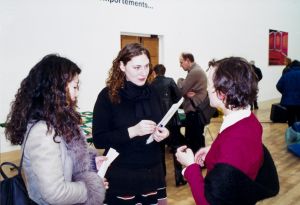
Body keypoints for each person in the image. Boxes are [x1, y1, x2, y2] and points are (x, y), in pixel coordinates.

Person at [176, 57, 279, 205]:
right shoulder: (249, 120)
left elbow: (208, 202)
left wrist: (190, 166)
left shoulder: (234, 142)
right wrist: (213, 150)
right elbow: (240, 153)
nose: (206, 89)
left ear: (222, 93)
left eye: (209, 84)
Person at [4, 54, 106, 204]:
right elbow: (55, 194)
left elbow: (65, 160)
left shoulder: (59, 123)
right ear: (56, 90)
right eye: (75, 87)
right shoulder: (43, 133)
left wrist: (91, 161)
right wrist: (92, 188)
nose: (77, 93)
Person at [92, 43, 169, 205]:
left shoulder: (153, 92)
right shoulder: (108, 96)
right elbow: (99, 139)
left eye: (147, 66)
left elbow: (162, 124)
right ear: (122, 66)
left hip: (153, 171)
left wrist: (164, 134)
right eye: (137, 67)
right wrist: (132, 131)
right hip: (122, 175)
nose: (143, 72)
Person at [152, 64, 186, 187]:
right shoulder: (170, 81)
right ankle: (179, 178)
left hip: (159, 123)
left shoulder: (151, 85)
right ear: (164, 72)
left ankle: (162, 179)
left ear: (154, 73)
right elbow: (179, 98)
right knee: (177, 148)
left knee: (160, 152)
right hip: (172, 122)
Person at [177, 52, 207, 153]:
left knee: (193, 138)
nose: (180, 65)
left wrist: (179, 80)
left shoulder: (195, 72)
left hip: (194, 111)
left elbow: (180, 90)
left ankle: (195, 162)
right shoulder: (195, 70)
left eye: (181, 62)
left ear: (188, 60)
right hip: (194, 110)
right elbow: (184, 91)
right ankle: (200, 162)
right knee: (197, 138)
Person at [277, 59, 300, 127]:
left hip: (289, 101)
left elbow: (279, 85)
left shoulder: (287, 73)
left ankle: (291, 134)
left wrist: (285, 93)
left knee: (291, 119)